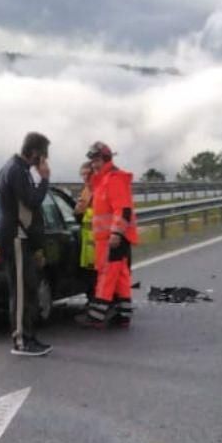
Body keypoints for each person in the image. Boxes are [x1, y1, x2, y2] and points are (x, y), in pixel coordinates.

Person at [0, 132, 53, 357]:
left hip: (24, 238)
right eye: (44, 155)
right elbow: (32, 201)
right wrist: (45, 179)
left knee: (29, 289)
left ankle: (28, 336)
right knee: (20, 292)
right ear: (36, 153)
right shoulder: (16, 170)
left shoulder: (21, 170)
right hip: (15, 236)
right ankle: (20, 340)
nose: (45, 160)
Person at [79, 141, 139, 328]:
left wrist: (116, 233)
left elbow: (123, 209)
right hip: (111, 238)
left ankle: (97, 315)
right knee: (120, 275)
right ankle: (123, 314)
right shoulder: (103, 180)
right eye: (92, 161)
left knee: (107, 275)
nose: (94, 165)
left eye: (96, 160)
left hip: (113, 238)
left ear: (105, 159)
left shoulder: (114, 179)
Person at [74, 161, 97, 282]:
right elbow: (80, 215)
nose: (85, 177)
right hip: (88, 244)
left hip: (101, 242)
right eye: (82, 174)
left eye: (88, 174)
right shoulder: (85, 191)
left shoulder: (100, 189)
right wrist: (77, 211)